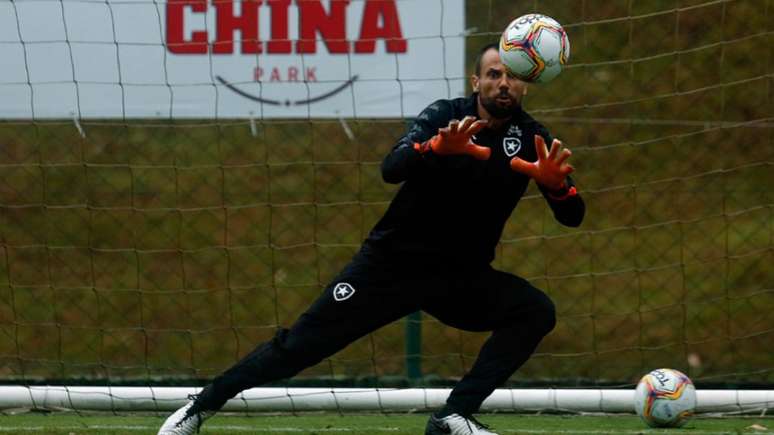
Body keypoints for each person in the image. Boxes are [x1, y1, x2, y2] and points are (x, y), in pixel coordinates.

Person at [157, 42, 585, 435]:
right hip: (389, 268)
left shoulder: (533, 139)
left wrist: (557, 188)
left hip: (460, 278)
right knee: (298, 348)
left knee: (534, 311)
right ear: (476, 81)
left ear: (528, 82)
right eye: (493, 74)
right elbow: (391, 168)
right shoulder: (444, 115)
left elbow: (573, 217)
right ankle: (200, 407)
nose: (503, 83)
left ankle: (453, 417)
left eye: (512, 75)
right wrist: (434, 149)